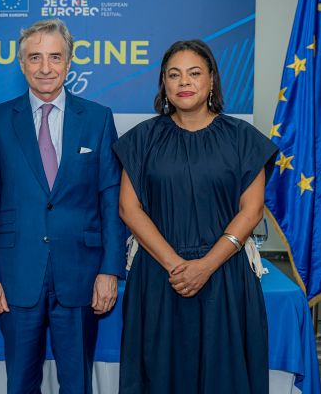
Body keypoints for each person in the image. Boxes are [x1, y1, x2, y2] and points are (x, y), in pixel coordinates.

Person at [0, 19, 126, 394]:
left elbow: (111, 201)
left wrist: (110, 270)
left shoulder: (98, 118)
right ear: (21, 63)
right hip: (17, 275)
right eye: (35, 57)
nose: (45, 67)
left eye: (55, 57)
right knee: (20, 384)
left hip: (82, 275)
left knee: (77, 385)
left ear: (69, 62)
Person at [113, 39, 277, 393]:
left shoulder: (243, 139)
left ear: (212, 80)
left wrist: (205, 266)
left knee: (224, 378)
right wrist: (177, 266)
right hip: (160, 275)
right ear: (164, 84)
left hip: (225, 274)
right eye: (174, 75)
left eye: (194, 73)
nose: (184, 82)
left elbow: (251, 211)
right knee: (159, 376)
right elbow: (128, 208)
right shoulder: (141, 139)